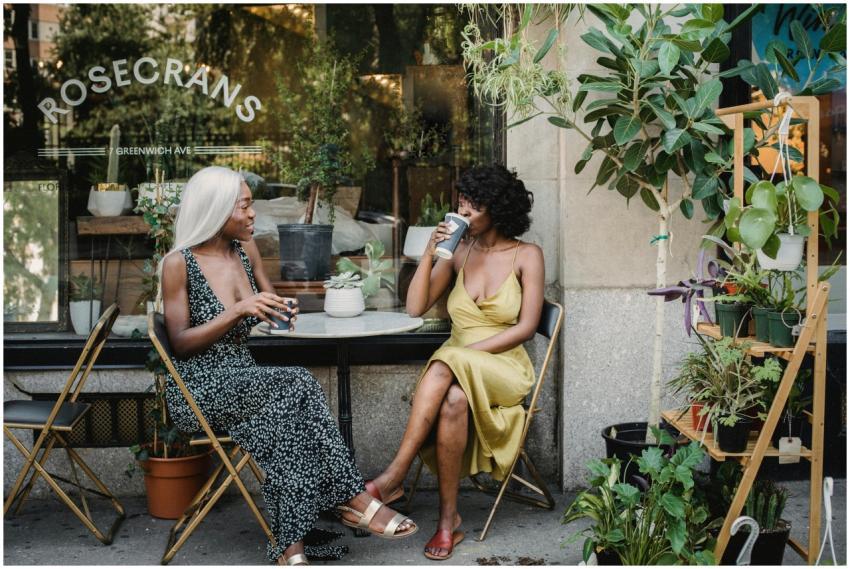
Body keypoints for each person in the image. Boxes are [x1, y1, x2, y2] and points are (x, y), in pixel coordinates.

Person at [159, 166, 417, 566]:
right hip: (200, 388)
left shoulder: (245, 251)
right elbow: (180, 343)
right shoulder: (179, 262)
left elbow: (268, 301)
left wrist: (279, 309)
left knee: (285, 425)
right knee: (296, 382)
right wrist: (240, 310)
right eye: (244, 206)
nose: (252, 214)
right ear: (216, 210)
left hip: (245, 381)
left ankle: (290, 547)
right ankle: (351, 498)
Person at [368, 165, 544, 560]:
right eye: (460, 204)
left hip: (503, 367)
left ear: (496, 210)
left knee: (446, 362)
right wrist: (432, 250)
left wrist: (465, 356)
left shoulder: (527, 255)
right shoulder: (460, 252)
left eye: (471, 207)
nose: (462, 213)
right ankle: (449, 522)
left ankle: (394, 476)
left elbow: (527, 328)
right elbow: (415, 307)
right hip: (454, 372)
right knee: (452, 402)